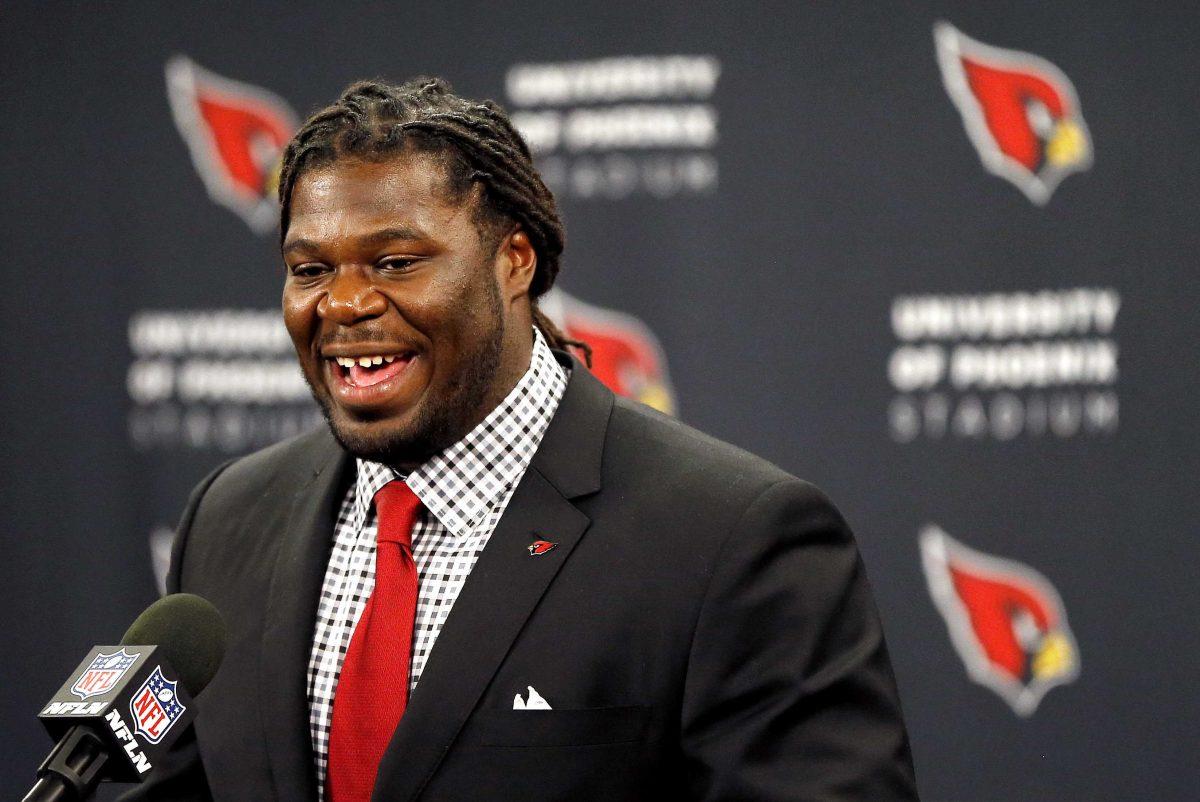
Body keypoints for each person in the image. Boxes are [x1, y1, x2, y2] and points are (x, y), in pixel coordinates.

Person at [123, 77, 917, 801]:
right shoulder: (226, 520)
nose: (345, 302)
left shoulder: (733, 541)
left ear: (513, 261)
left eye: (396, 262)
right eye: (309, 270)